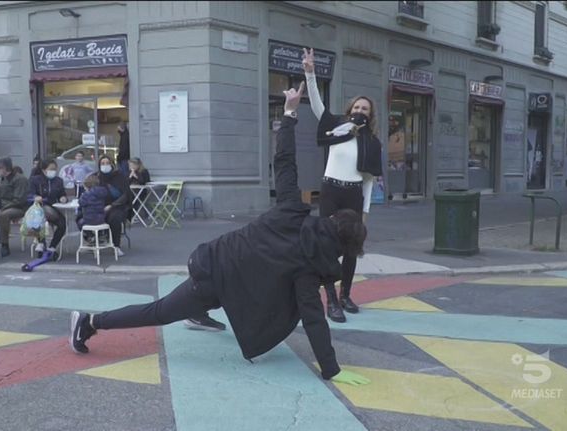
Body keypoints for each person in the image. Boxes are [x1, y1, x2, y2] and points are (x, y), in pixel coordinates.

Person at [68, 83, 371, 386]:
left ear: (332, 218)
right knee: (159, 312)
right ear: (343, 249)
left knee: (217, 292)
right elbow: (314, 318)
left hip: (215, 258)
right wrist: (332, 369)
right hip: (212, 277)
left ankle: (196, 312)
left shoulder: (293, 209)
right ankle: (90, 322)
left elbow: (284, 163)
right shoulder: (309, 269)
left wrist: (290, 114)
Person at [303, 47, 382, 323]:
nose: (360, 111)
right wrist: (310, 74)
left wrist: (366, 212)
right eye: (356, 107)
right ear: (350, 110)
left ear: (370, 115)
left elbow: (369, 180)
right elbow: (316, 106)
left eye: (365, 109)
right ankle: (331, 300)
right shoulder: (336, 127)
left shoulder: (372, 143)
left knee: (351, 248)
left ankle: (346, 294)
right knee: (327, 246)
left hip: (353, 194)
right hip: (331, 191)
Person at [28, 159, 68, 257]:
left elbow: (62, 194)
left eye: (55, 169)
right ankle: (41, 243)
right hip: (38, 207)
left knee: (62, 223)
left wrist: (63, 198)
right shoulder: (35, 180)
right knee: (40, 215)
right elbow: (29, 194)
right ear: (43, 170)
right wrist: (35, 197)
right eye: (51, 169)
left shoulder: (58, 181)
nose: (53, 171)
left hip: (53, 207)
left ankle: (52, 247)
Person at [0, 156, 30, 257]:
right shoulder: (3, 179)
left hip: (19, 207)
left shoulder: (20, 179)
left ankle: (4, 245)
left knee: (4, 215)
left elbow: (19, 199)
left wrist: (2, 208)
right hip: (5, 206)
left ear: (6, 167)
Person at [96, 154, 130, 257]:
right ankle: (92, 242)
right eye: (102, 163)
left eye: (107, 163)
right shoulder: (96, 177)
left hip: (117, 205)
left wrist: (112, 205)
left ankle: (116, 246)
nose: (105, 165)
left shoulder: (120, 177)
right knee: (86, 216)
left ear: (112, 164)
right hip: (99, 206)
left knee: (114, 218)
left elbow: (125, 195)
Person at [76, 174, 110, 243]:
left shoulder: (86, 195)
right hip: (101, 218)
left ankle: (90, 236)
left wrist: (82, 195)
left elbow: (81, 203)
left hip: (89, 219)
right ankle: (100, 235)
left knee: (79, 222)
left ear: (87, 186)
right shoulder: (102, 192)